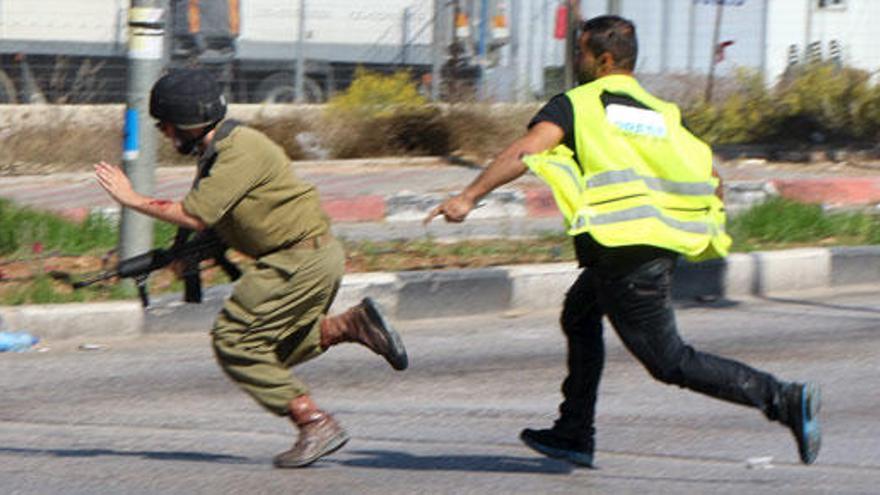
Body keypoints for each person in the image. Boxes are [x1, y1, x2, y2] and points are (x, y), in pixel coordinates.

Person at [425, 15, 821, 467]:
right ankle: (574, 431)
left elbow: (526, 150)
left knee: (669, 361)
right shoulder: (661, 113)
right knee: (579, 315)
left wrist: (468, 197)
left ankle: (784, 398)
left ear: (604, 59)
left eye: (581, 52)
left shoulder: (580, 103)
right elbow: (711, 176)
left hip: (625, 257)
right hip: (646, 247)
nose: (576, 60)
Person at [94, 68, 408, 468]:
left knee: (234, 341)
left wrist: (131, 198)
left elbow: (197, 214)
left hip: (296, 260)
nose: (165, 134)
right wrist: (183, 258)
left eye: (166, 125)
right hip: (306, 258)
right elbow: (227, 221)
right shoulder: (220, 150)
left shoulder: (239, 151)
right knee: (267, 355)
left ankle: (314, 422)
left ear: (185, 121)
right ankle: (349, 325)